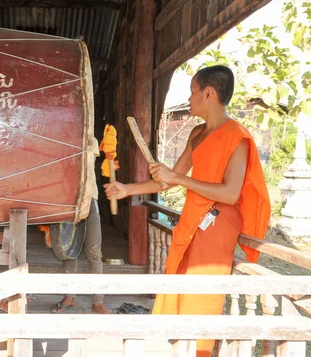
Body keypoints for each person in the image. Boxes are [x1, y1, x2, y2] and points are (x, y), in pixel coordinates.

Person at [104, 65, 271, 356]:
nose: (189, 97)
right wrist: (127, 189)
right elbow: (168, 181)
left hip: (217, 230)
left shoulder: (237, 137)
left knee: (201, 303)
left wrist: (177, 177)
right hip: (192, 223)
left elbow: (230, 194)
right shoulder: (197, 133)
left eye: (193, 91)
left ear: (209, 93)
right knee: (179, 298)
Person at [50, 137, 114, 315]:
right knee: (70, 249)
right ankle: (70, 296)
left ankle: (97, 302)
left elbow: (86, 164)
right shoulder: (62, 137)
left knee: (94, 251)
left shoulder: (89, 139)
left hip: (89, 198)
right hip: (67, 198)